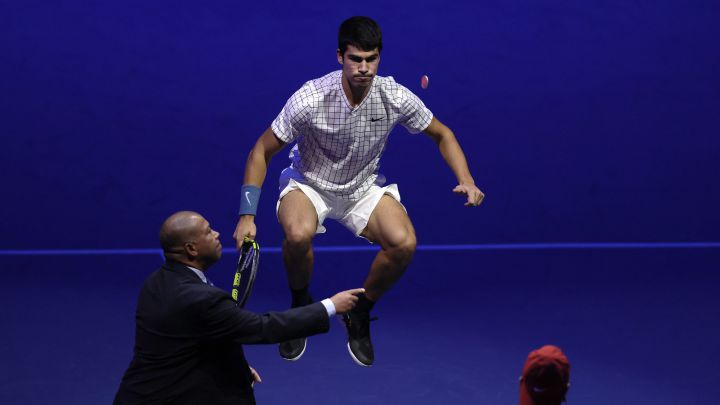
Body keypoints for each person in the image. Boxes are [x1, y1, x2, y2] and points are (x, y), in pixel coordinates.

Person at [233, 16, 484, 367]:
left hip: (362, 187)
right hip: (309, 184)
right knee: (298, 233)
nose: (364, 67)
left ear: (379, 58)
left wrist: (467, 178)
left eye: (371, 59)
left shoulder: (394, 96)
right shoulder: (311, 97)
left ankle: (359, 312)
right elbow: (260, 151)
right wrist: (247, 215)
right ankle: (302, 307)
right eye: (356, 59)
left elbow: (444, 134)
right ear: (340, 57)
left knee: (404, 243)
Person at [114, 211, 364, 405]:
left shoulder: (156, 282)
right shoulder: (200, 298)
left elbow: (184, 339)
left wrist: (234, 366)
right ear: (191, 249)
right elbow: (263, 328)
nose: (217, 233)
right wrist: (331, 306)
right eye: (208, 231)